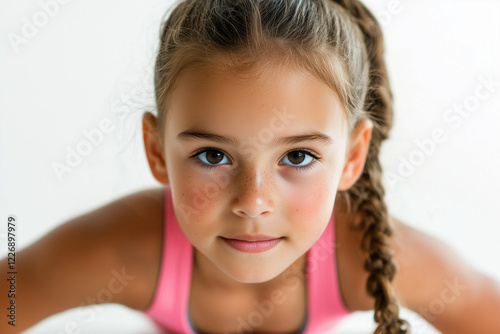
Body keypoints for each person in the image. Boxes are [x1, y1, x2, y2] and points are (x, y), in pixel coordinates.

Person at [2, 0, 500, 333]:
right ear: (156, 150)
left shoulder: (372, 254)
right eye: (213, 156)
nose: (253, 201)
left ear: (352, 156)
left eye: (298, 157)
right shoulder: (125, 250)